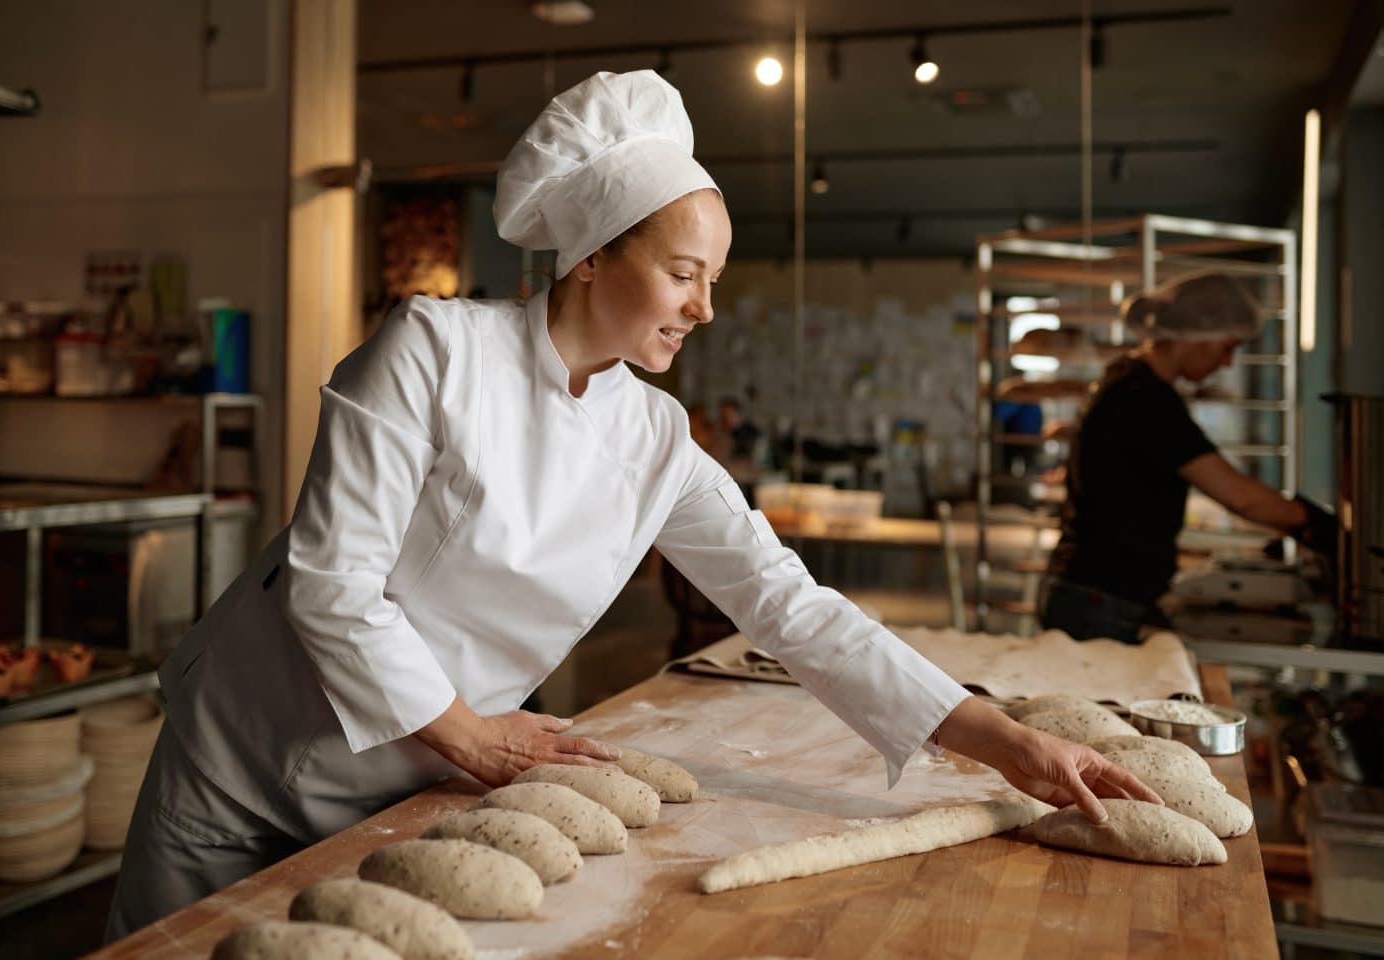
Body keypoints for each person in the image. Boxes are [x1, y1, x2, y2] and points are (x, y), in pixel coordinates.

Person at [105, 70, 1159, 941]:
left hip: (407, 775)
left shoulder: (653, 438)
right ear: (594, 255)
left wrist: (1005, 740)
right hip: (247, 753)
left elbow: (792, 608)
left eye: (714, 281)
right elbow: (334, 589)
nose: (705, 308)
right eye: (684, 274)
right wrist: (474, 741)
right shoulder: (430, 351)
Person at [1039, 271, 1336, 643]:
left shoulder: (1127, 379)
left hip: (1094, 589)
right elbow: (1237, 495)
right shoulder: (1145, 400)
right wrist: (1320, 526)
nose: (1228, 362)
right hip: (1101, 595)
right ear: (1196, 337)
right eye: (1227, 347)